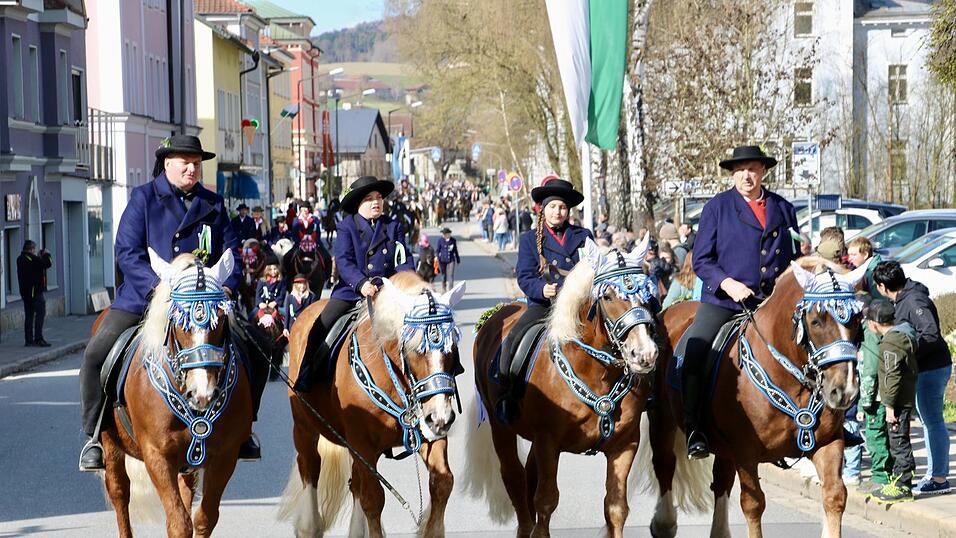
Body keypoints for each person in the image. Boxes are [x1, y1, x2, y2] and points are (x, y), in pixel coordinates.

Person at [78, 135, 267, 470]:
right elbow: (127, 252)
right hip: (146, 299)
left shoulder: (213, 203)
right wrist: (157, 289)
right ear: (167, 164)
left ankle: (245, 429)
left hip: (203, 301)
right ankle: (95, 434)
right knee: (96, 355)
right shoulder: (143, 198)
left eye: (196, 163)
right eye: (185, 162)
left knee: (257, 346)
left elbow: (232, 255)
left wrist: (226, 287)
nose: (192, 168)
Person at [684, 145, 799, 459]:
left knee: (814, 346)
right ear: (733, 174)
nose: (747, 176)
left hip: (772, 303)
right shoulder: (717, 207)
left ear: (763, 171)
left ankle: (821, 423)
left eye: (752, 169)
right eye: (740, 170)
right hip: (725, 301)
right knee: (694, 352)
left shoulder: (784, 208)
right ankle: (694, 428)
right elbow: (701, 259)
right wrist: (728, 283)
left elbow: (795, 258)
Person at [294, 176, 415, 392]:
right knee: (321, 325)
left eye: (379, 197)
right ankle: (307, 371)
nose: (376, 202)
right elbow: (343, 261)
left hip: (388, 292)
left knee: (425, 320)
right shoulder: (346, 226)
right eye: (369, 198)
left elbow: (404, 259)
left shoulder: (393, 225)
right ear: (358, 203)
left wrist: (404, 283)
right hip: (352, 291)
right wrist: (361, 283)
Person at [497, 178, 592, 422]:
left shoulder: (583, 236)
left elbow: (594, 269)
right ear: (542, 209)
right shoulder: (530, 239)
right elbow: (525, 275)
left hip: (580, 305)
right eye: (553, 207)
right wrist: (541, 289)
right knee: (513, 340)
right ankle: (507, 394)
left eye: (562, 207)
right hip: (544, 306)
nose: (558, 212)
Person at [873, 260, 952, 496]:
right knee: (929, 420)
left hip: (931, 368)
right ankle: (935, 474)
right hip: (924, 368)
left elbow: (930, 333)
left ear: (883, 286)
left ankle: (938, 478)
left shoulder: (914, 300)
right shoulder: (902, 299)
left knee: (933, 421)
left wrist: (908, 355)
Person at [866, 299, 918, 504]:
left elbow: (891, 376)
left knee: (898, 443)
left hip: (896, 402)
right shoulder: (904, 335)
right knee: (900, 440)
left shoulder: (890, 343)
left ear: (874, 323)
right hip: (904, 399)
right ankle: (900, 481)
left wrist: (889, 407)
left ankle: (902, 485)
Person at [16, 240, 53, 347]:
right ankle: (38, 338)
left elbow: (36, 264)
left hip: (25, 293)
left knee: (29, 316)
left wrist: (39, 257)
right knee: (40, 314)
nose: (35, 251)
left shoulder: (20, 259)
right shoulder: (31, 259)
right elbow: (47, 263)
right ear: (31, 249)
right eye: (34, 249)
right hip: (35, 293)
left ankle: (28, 340)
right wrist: (47, 254)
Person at [436, 227, 461, 293]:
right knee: (443, 275)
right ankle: (444, 288)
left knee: (451, 275)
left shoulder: (453, 240)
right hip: (442, 260)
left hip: (451, 260)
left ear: (449, 234)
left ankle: (451, 289)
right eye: (443, 234)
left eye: (445, 234)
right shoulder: (440, 240)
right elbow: (438, 250)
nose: (443, 235)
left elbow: (455, 250)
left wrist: (458, 259)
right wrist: (438, 258)